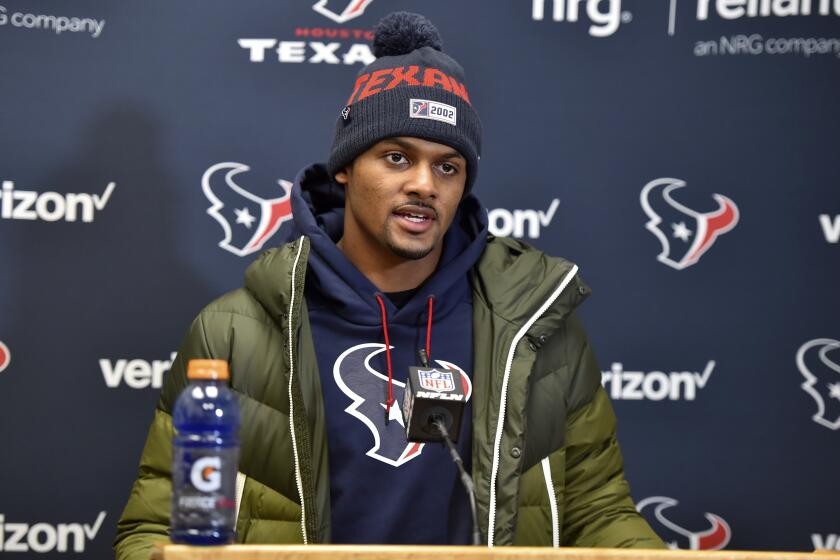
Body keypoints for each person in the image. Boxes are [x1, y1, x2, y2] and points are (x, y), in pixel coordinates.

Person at [114, 12, 664, 559]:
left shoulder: (536, 328)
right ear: (347, 168)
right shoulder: (234, 334)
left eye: (448, 167)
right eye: (397, 157)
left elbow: (598, 510)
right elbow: (156, 530)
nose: (424, 184)